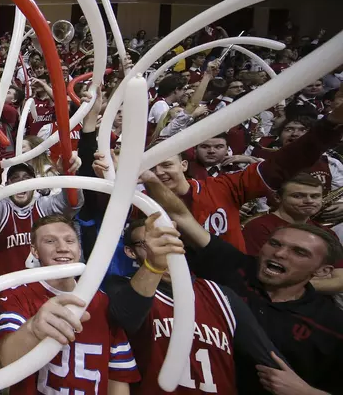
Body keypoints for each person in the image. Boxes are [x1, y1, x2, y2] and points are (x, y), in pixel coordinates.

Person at [141, 169, 343, 394]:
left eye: (299, 252)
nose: (280, 254)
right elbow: (180, 215)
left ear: (323, 271)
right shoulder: (233, 265)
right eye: (275, 244)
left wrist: (306, 392)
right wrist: (149, 178)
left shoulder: (332, 326)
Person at [96, 101, 343, 253]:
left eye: (166, 165)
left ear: (183, 164)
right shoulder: (141, 205)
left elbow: (284, 162)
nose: (159, 172)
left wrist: (330, 124)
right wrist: (112, 179)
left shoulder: (224, 187)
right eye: (151, 167)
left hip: (228, 287)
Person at [106, 213, 287, 394]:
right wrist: (154, 265)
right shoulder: (120, 287)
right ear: (130, 252)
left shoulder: (221, 295)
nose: (162, 247)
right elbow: (126, 318)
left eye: (168, 239)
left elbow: (269, 359)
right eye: (148, 243)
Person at [0, 215, 140, 395]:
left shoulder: (102, 301)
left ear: (79, 249)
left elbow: (118, 375)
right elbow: (7, 359)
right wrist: (33, 329)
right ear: (34, 251)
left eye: (70, 241)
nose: (62, 248)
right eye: (50, 241)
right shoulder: (18, 295)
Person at [0, 161, 83, 276]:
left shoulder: (44, 206)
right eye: (15, 179)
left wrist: (68, 171)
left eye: (26, 179)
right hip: (9, 288)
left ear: (34, 185)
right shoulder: (1, 209)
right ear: (7, 185)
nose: (21, 183)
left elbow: (72, 203)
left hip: (44, 285)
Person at [242, 174, 327, 256]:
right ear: (277, 198)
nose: (309, 201)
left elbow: (337, 269)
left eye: (315, 196)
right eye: (297, 196)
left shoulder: (326, 232)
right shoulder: (258, 227)